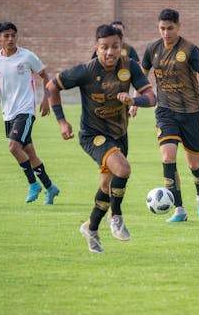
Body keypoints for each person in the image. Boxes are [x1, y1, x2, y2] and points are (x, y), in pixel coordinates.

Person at [46, 24, 155, 253]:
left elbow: (151, 97)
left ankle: (91, 228)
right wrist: (62, 121)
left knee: (106, 188)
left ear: (121, 47)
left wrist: (133, 101)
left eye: (115, 47)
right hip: (92, 135)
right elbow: (51, 86)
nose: (109, 52)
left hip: (119, 135)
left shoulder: (130, 67)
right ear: (96, 48)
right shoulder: (85, 70)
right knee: (123, 169)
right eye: (104, 47)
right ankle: (116, 216)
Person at [141, 8, 199, 223]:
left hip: (191, 113)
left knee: (194, 164)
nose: (166, 32)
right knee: (167, 157)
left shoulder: (190, 49)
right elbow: (141, 78)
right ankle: (179, 209)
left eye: (170, 28)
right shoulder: (152, 49)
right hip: (166, 112)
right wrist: (135, 101)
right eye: (162, 28)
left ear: (178, 27)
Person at [0, 22, 60, 205]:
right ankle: (50, 188)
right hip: (7, 112)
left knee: (13, 147)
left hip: (25, 110)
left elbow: (46, 77)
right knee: (30, 154)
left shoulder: (27, 56)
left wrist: (45, 100)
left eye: (13, 35)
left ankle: (33, 184)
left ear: (17, 36)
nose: (10, 39)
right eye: (6, 36)